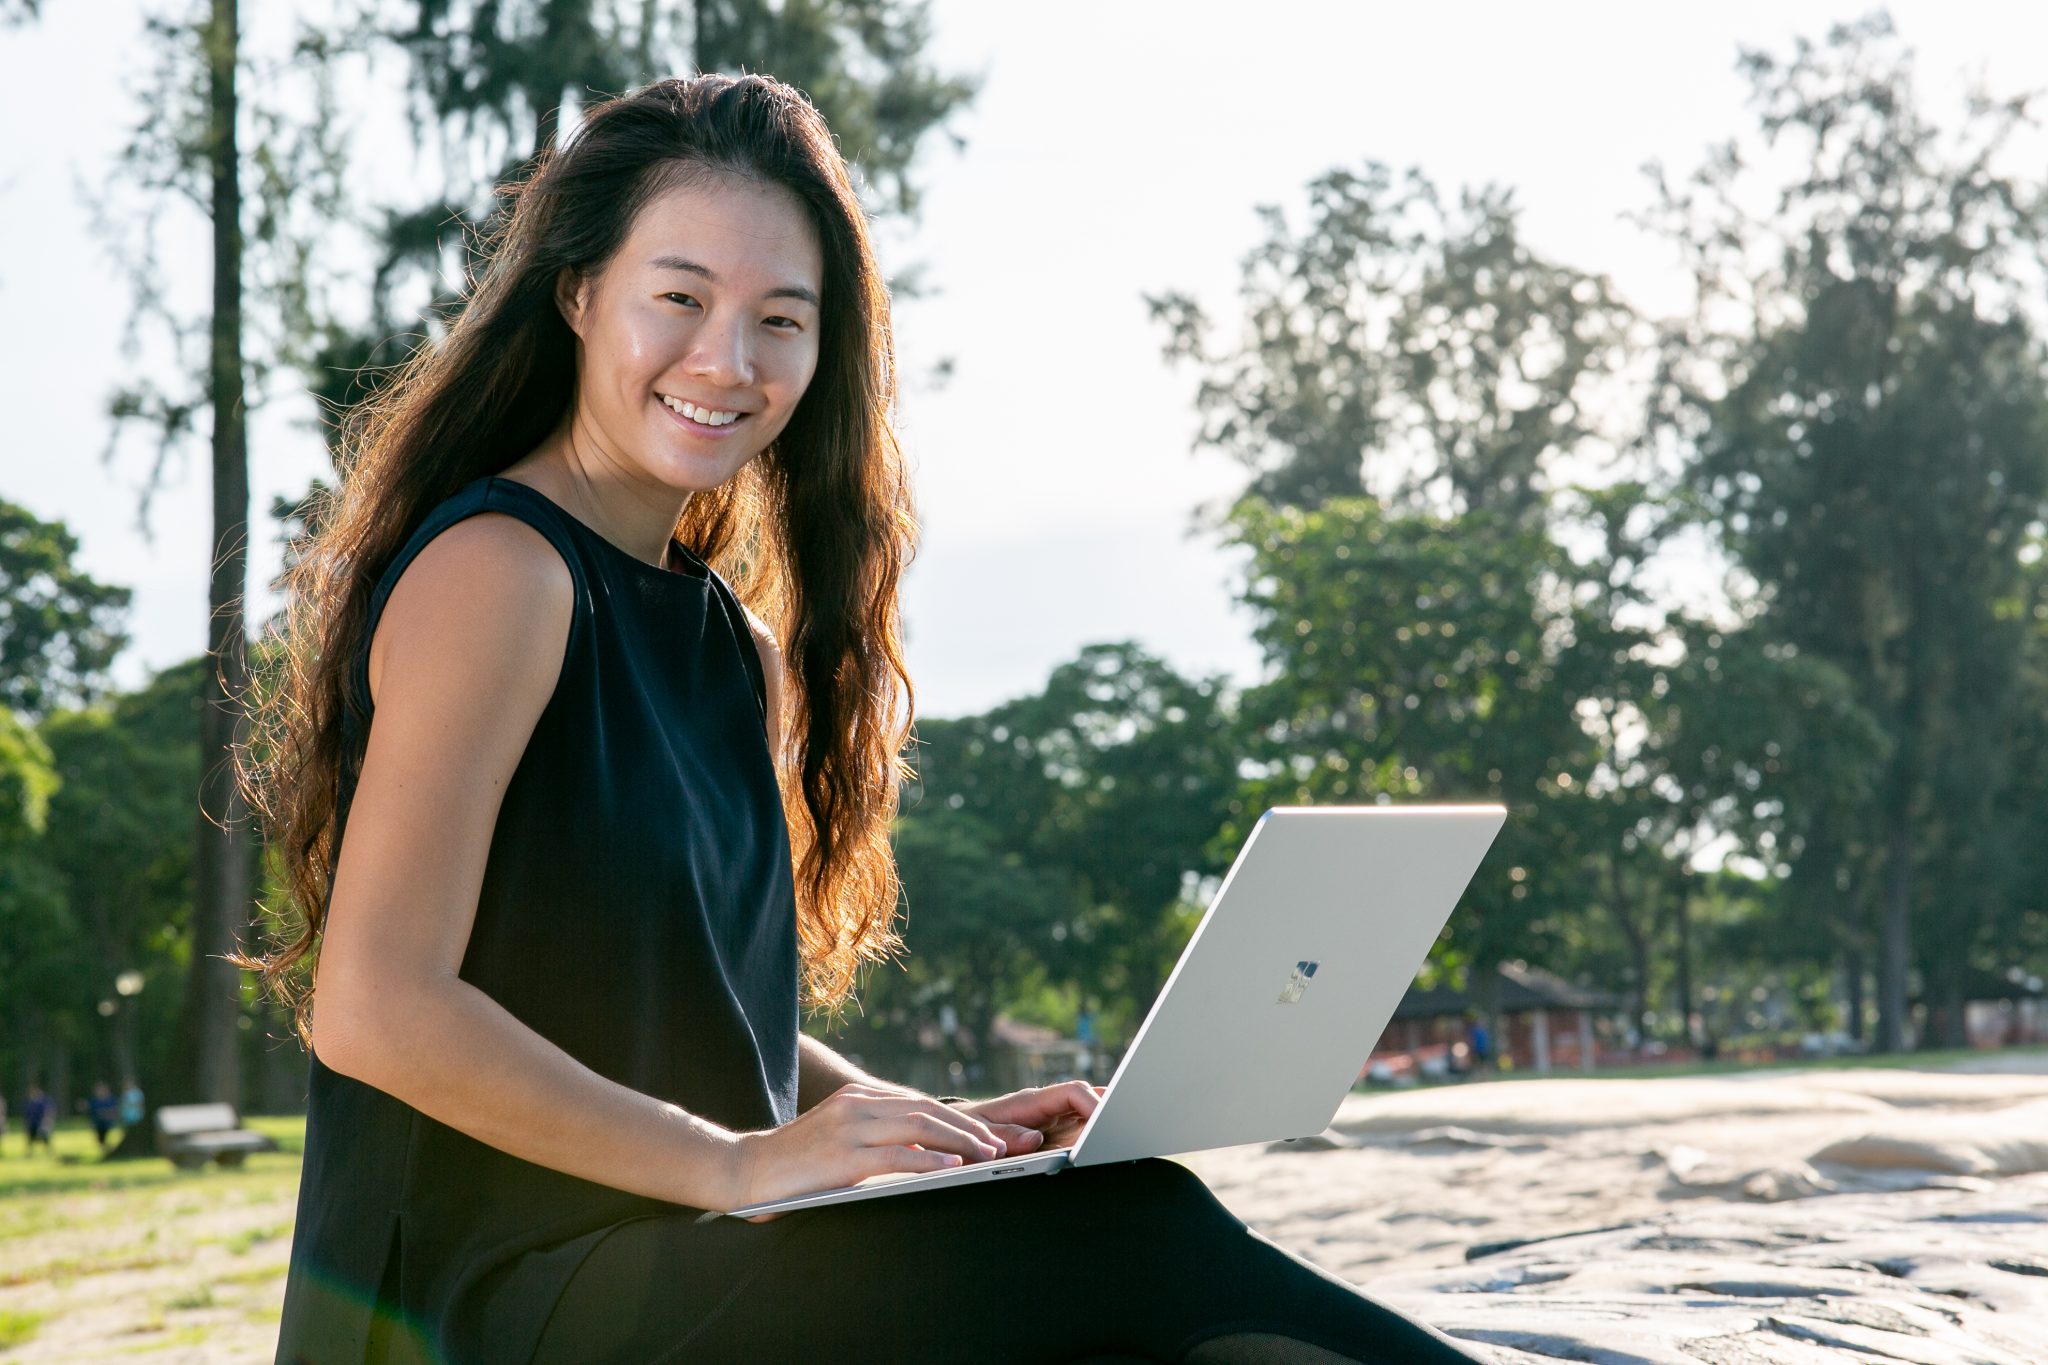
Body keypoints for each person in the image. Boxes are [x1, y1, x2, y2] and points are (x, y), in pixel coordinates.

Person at [240, 73, 1490, 1365]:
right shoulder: (500, 574)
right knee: (1132, 1240)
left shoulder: (741, 652)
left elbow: (679, 1008)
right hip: (491, 1303)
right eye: (679, 297)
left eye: (781, 318)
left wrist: (931, 1127)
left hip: (683, 1255)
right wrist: (734, 1161)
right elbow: (376, 1004)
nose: (726, 358)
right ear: (576, 294)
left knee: (1107, 1223)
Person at [86, 1082, 119, 1149]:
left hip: (107, 1121)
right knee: (100, 1137)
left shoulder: (111, 1100)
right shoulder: (94, 1100)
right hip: (98, 1122)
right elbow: (91, 1110)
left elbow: (114, 1110)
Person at [21, 1084, 52, 1156]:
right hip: (32, 1124)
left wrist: (45, 1122)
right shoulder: (29, 1102)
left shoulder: (43, 1101)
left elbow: (47, 1113)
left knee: (45, 1138)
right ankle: (29, 1153)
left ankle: (48, 1151)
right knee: (30, 1139)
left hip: (41, 1123)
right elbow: (26, 1115)